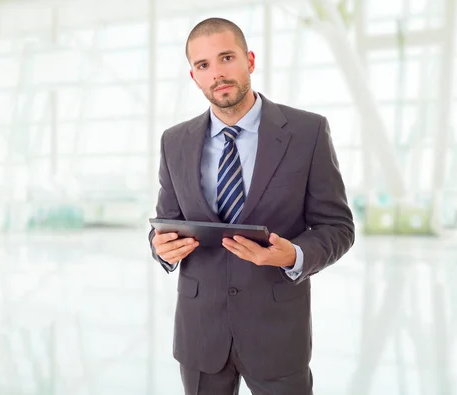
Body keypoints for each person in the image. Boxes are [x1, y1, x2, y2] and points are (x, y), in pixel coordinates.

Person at [148, 17, 355, 395]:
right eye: (203, 65)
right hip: (200, 336)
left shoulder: (307, 132)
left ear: (250, 61)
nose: (217, 73)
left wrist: (293, 254)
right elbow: (166, 222)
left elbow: (338, 227)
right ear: (194, 76)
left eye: (227, 58)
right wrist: (160, 247)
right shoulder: (174, 141)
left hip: (277, 334)